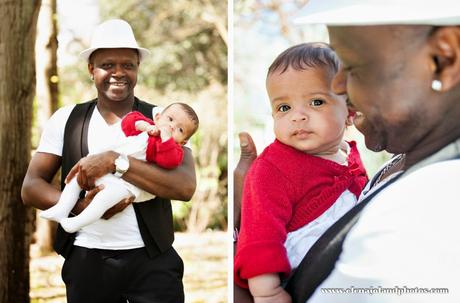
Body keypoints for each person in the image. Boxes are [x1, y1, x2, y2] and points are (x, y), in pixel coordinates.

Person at [235, 1, 460, 302]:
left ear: (444, 58)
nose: (339, 87)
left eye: (353, 66)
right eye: (284, 107)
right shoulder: (400, 162)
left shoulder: (431, 205)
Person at [21, 19, 196, 303]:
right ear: (91, 69)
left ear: (138, 67)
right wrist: (81, 207)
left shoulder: (164, 118)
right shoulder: (66, 119)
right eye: (107, 64)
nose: (118, 72)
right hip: (87, 262)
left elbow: (185, 187)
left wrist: (117, 161)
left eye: (128, 64)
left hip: (153, 263)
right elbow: (31, 186)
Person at [234, 43, 368, 303]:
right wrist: (267, 292)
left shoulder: (350, 156)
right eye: (284, 108)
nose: (297, 117)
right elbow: (260, 235)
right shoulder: (271, 169)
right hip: (298, 281)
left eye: (316, 102)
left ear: (349, 111)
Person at [40, 103, 199, 233]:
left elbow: (168, 161)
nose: (171, 127)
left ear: (183, 142)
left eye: (179, 129)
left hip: (128, 184)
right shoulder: (148, 125)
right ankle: (62, 207)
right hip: (103, 169)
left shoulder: (174, 149)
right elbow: (129, 122)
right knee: (75, 179)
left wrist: (165, 137)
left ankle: (77, 222)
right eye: (170, 119)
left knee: (105, 199)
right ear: (158, 117)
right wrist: (143, 126)